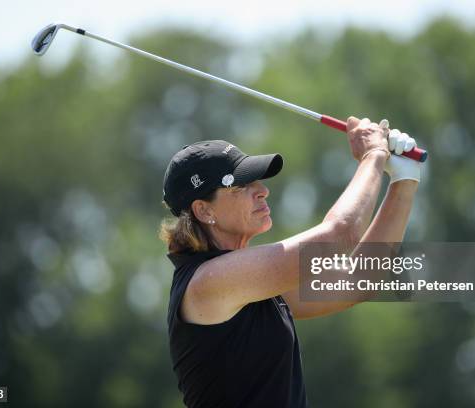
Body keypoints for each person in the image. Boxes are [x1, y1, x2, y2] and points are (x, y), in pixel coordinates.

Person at [160, 116, 421, 407]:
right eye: (239, 186)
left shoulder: (250, 286)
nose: (262, 190)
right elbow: (340, 234)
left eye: (255, 180)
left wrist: (403, 182)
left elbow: (358, 281)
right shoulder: (208, 283)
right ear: (204, 210)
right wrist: (373, 156)